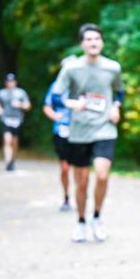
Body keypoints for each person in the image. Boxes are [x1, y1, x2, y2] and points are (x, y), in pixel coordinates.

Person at [54, 24, 125, 242]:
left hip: (105, 128)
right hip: (79, 130)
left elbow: (120, 91)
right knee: (82, 181)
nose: (93, 42)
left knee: (102, 174)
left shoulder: (112, 67)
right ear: (81, 43)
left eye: (97, 39)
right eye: (88, 39)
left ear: (102, 42)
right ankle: (81, 222)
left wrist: (116, 106)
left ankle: (97, 217)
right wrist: (73, 104)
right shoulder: (72, 68)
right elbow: (56, 97)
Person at [43, 56, 76, 212]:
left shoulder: (81, 85)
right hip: (61, 129)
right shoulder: (56, 87)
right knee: (64, 167)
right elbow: (47, 106)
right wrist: (55, 116)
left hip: (80, 129)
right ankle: (66, 197)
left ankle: (80, 196)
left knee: (80, 166)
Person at [0, 73, 31, 172]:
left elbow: (28, 106)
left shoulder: (21, 93)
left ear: (15, 82)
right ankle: (8, 162)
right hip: (6, 119)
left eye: (12, 81)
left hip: (17, 120)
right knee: (7, 140)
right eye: (8, 81)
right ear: (6, 83)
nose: (10, 83)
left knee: (14, 141)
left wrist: (20, 104)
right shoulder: (1, 93)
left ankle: (12, 160)